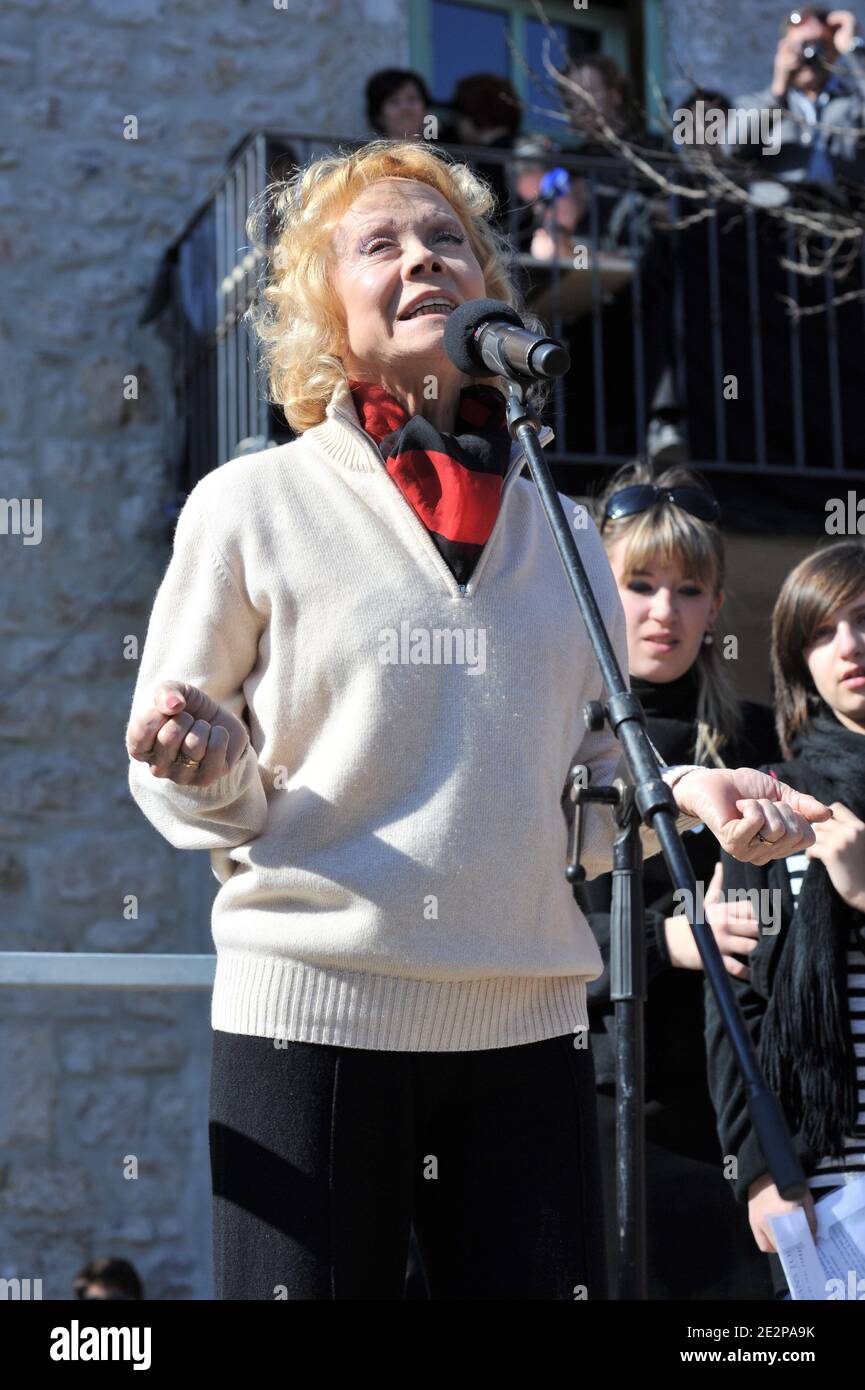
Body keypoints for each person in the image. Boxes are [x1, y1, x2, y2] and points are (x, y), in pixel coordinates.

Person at [124, 138, 830, 1301]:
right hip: (313, 1018)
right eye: (381, 244)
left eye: (449, 238)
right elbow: (175, 772)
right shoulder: (249, 503)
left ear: (491, 288)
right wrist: (204, 766)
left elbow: (584, 794)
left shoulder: (566, 533)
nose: (424, 260)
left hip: (527, 1033)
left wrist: (684, 799)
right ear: (323, 309)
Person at [576, 462, 781, 1300]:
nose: (665, 611)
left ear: (715, 608)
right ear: (594, 588)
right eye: (640, 583)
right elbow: (502, 929)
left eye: (688, 588)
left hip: (734, 1112)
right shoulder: (553, 742)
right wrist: (661, 938)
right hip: (588, 1109)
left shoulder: (761, 744)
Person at [706, 539, 865, 1300]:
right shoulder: (772, 802)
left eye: (864, 622)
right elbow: (736, 1005)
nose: (850, 646)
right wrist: (760, 1168)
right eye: (822, 632)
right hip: (820, 1187)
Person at [729, 7, 865, 195]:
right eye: (800, 45)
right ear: (783, 49)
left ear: (834, 50)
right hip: (779, 218)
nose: (808, 54)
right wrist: (778, 92)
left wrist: (854, 49)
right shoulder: (755, 104)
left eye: (819, 45)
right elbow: (733, 149)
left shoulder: (854, 103)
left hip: (844, 218)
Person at [365, 68, 434, 141]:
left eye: (412, 99)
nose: (405, 108)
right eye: (394, 101)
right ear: (378, 115)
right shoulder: (366, 152)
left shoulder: (443, 151)